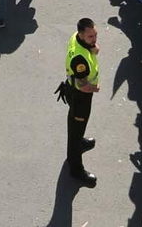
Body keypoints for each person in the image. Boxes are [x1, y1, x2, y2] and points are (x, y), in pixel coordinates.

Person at [62, 18, 100, 188]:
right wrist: (95, 87)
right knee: (75, 128)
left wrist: (92, 47)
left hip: (74, 91)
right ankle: (76, 168)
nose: (94, 39)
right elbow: (83, 86)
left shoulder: (76, 38)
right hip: (80, 96)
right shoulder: (79, 60)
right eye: (91, 36)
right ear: (82, 34)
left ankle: (79, 141)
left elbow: (91, 48)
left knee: (79, 124)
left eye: (95, 35)